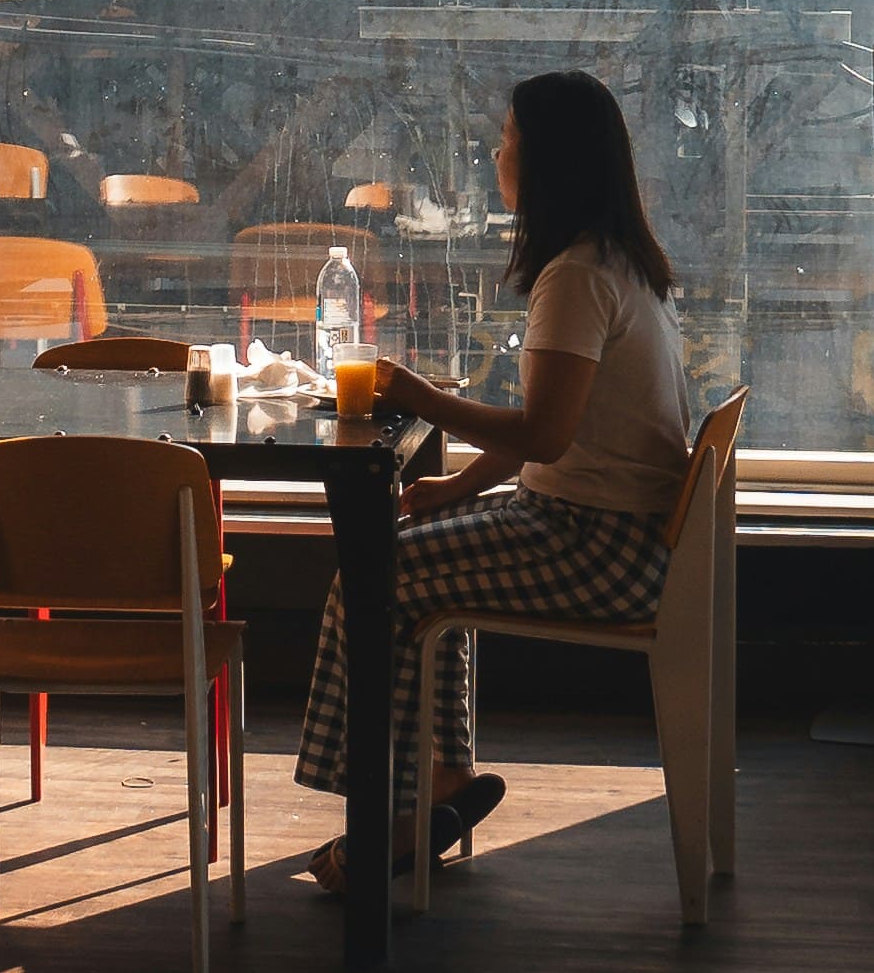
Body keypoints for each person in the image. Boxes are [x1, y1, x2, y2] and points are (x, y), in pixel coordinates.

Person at [294, 69, 699, 899]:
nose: (496, 152)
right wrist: (458, 489)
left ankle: (389, 824)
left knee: (375, 575)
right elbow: (558, 426)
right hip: (624, 534)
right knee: (414, 559)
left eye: (509, 138)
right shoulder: (615, 262)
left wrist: (417, 397)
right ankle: (441, 781)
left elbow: (544, 432)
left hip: (594, 544)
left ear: (545, 160)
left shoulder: (575, 278)